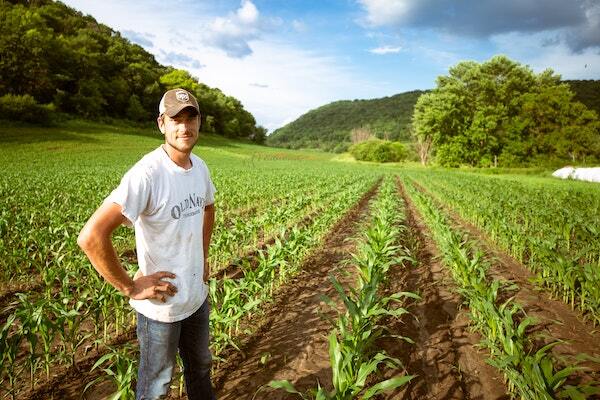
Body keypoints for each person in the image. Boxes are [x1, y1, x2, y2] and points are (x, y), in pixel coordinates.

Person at [78, 88, 217, 400]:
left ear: (199, 123)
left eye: (190, 118)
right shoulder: (147, 174)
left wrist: (202, 256)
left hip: (196, 299)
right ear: (161, 124)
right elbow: (90, 237)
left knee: (201, 368)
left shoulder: (201, 168)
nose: (184, 126)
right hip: (161, 309)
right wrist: (131, 287)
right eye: (175, 119)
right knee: (157, 386)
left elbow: (208, 207)